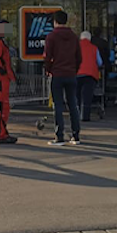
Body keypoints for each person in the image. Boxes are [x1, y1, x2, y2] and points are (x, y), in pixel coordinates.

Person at [44, 11, 82, 146]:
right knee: (73, 104)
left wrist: (49, 70)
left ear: (55, 22)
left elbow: (47, 57)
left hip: (57, 74)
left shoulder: (52, 36)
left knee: (58, 105)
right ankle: (76, 135)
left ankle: (59, 136)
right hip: (71, 74)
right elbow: (79, 57)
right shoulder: (73, 37)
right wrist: (74, 70)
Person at [77, 31, 103, 122]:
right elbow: (100, 62)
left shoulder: (75, 47)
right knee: (86, 96)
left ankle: (76, 114)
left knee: (77, 95)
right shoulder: (94, 48)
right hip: (90, 74)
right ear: (90, 39)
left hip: (76, 74)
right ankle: (85, 116)